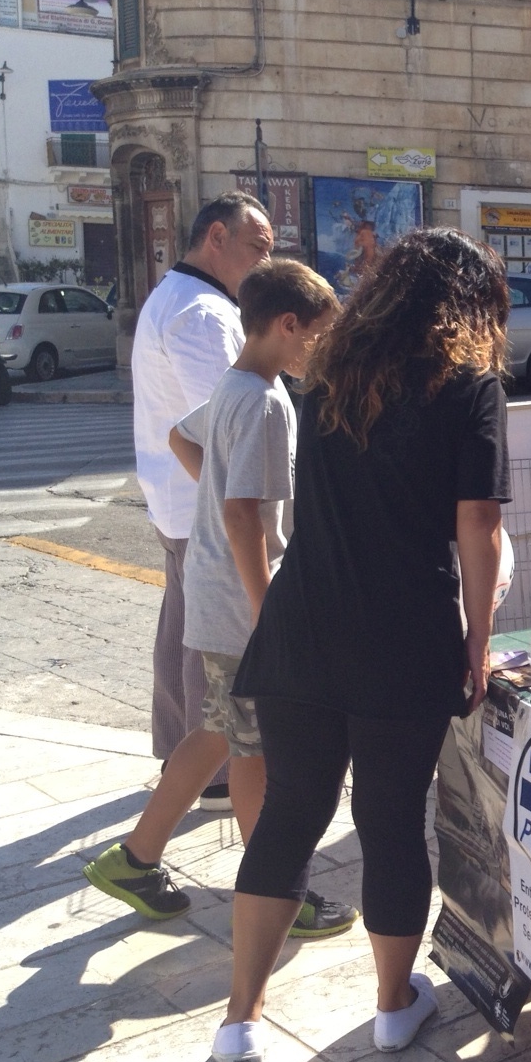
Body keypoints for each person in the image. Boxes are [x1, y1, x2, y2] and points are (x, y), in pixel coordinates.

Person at [211, 228, 511, 1062]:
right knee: (386, 820)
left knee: (290, 813)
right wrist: (480, 638)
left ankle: (240, 1019)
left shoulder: (329, 371)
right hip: (402, 634)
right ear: (471, 307)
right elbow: (478, 524)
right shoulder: (468, 387)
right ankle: (390, 1006)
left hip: (305, 622)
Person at [84, 258, 357, 939]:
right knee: (253, 751)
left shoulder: (236, 387)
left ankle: (135, 858)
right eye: (319, 339)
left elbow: (182, 437)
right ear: (288, 326)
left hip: (214, 589)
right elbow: (242, 516)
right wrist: (269, 613)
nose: (319, 354)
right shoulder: (267, 404)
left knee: (216, 733)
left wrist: (216, 495)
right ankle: (275, 890)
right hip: (241, 607)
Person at [132, 193, 274, 807]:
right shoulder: (204, 314)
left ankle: (176, 756)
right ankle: (211, 773)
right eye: (258, 247)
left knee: (181, 627)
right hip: (201, 504)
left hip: (175, 497)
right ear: (216, 237)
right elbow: (224, 419)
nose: (266, 262)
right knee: (210, 638)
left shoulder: (174, 296)